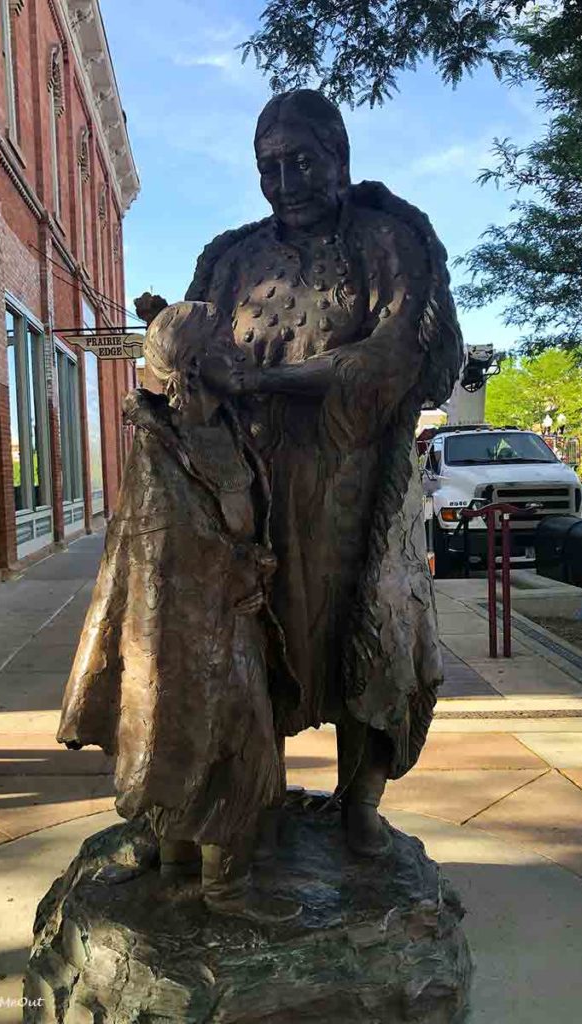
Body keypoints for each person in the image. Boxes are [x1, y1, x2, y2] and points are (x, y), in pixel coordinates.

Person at [187, 89, 463, 856]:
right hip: (252, 485)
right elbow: (195, 350)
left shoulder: (383, 242)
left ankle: (360, 802)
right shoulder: (232, 258)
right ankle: (255, 795)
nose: (285, 181)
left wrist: (276, 381)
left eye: (301, 161)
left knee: (369, 630)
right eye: (268, 166)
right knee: (253, 637)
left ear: (339, 159)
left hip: (358, 478)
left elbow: (395, 351)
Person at [57, 301, 300, 922]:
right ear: (194, 363)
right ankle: (220, 886)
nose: (239, 350)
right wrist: (242, 568)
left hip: (232, 615)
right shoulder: (160, 444)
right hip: (189, 625)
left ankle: (187, 866)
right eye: (226, 341)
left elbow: (245, 515)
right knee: (224, 742)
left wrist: (257, 564)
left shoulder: (227, 431)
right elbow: (167, 541)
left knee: (217, 738)